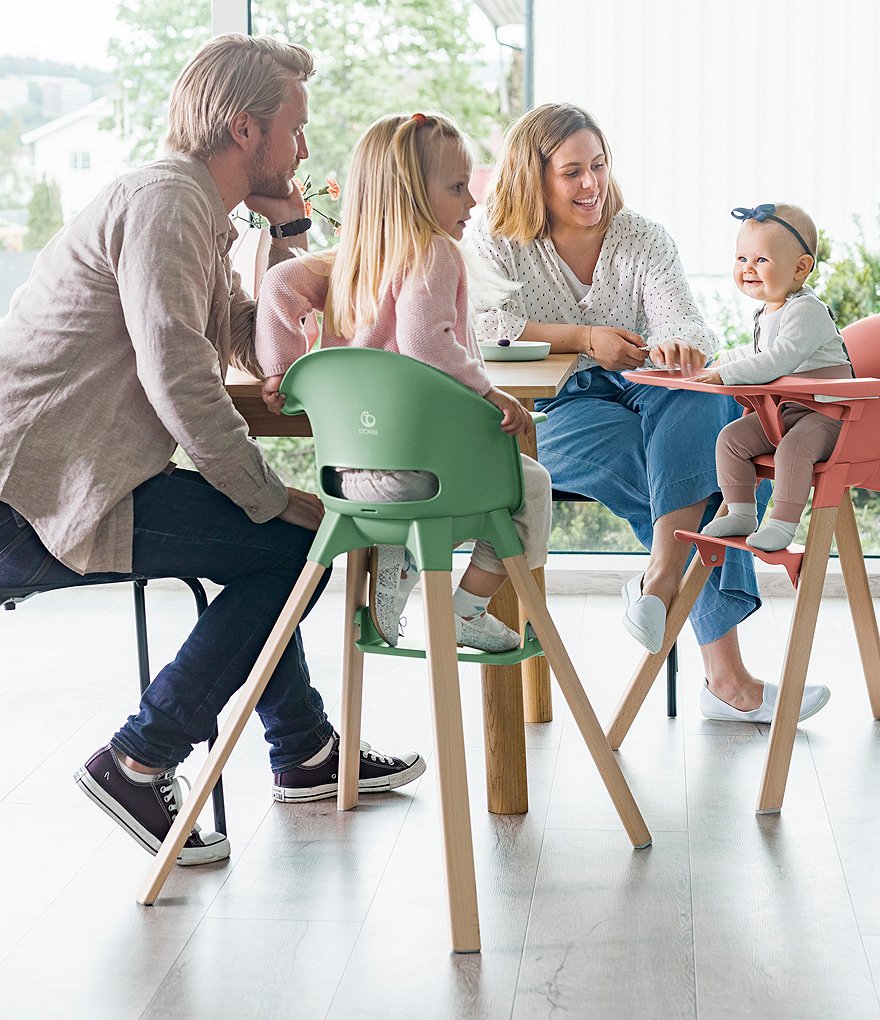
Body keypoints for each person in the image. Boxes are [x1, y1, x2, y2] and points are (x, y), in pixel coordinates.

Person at [0, 35, 425, 868]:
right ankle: (139, 759)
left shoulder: (195, 206)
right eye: (295, 130)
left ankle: (303, 753)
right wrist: (266, 493)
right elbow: (180, 382)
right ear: (243, 130)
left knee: (278, 550)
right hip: (34, 500)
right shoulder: (167, 204)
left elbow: (239, 337)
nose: (304, 149)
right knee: (291, 545)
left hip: (84, 482)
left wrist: (292, 230)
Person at [468, 103, 830, 724]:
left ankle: (660, 581)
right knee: (688, 477)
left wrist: (678, 345)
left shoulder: (641, 235)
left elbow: (683, 319)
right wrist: (585, 338)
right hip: (558, 406)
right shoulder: (495, 242)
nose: (592, 185)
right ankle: (727, 679)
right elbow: (485, 330)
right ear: (534, 178)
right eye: (573, 172)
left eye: (600, 166)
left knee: (692, 398)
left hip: (648, 386)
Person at [255, 112, 552, 652]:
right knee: (528, 486)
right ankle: (468, 608)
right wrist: (488, 393)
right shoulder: (435, 252)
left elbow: (277, 283)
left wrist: (281, 366)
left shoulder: (347, 263)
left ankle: (403, 552)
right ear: (414, 194)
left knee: (466, 483)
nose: (472, 203)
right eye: (458, 188)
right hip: (423, 476)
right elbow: (427, 343)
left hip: (349, 477)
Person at [696, 203, 852, 560]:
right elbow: (755, 353)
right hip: (786, 411)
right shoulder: (766, 311)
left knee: (793, 449)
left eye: (761, 260)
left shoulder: (807, 310)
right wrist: (717, 362)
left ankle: (782, 523)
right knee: (731, 439)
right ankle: (741, 512)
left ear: (801, 267)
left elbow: (778, 359)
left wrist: (726, 375)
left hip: (830, 415)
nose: (747, 268)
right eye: (741, 259)